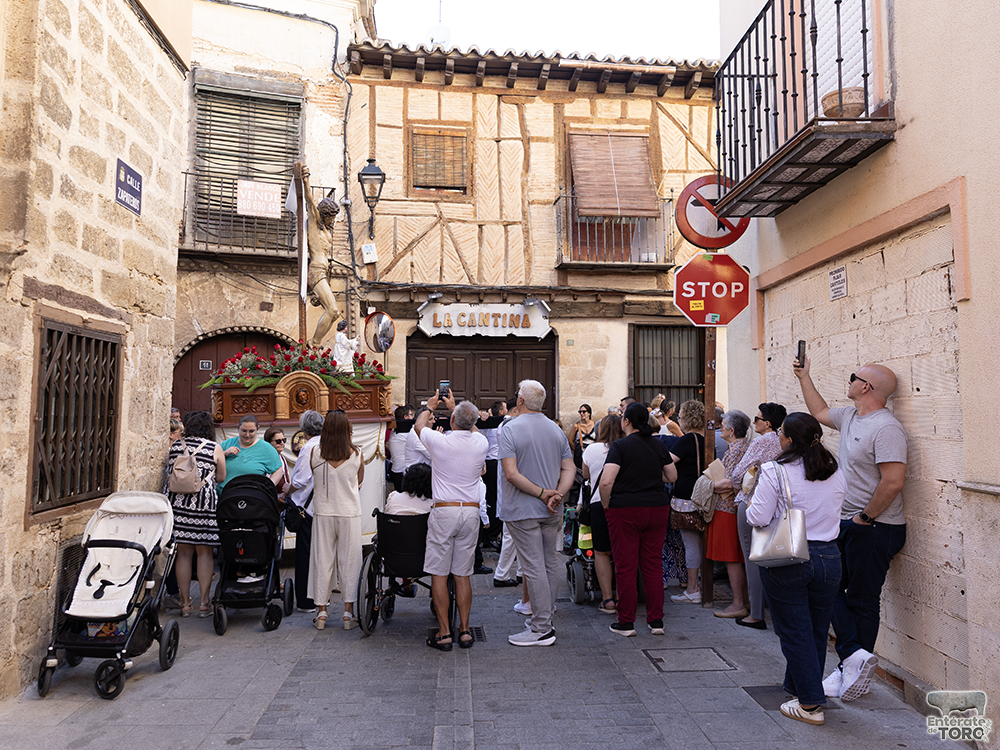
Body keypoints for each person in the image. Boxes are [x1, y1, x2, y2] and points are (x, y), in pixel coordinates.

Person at [794, 355, 907, 702]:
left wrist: (865, 518)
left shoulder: (886, 428)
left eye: (853, 376)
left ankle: (851, 669)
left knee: (860, 599)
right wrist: (804, 376)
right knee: (828, 591)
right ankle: (853, 661)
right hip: (847, 523)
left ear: (866, 387)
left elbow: (893, 481)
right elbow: (819, 412)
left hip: (875, 527)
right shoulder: (851, 416)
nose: (850, 379)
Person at [746, 413, 846, 725]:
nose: (778, 437)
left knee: (794, 630)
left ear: (788, 439)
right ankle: (801, 685)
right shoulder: (834, 469)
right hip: (829, 555)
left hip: (789, 555)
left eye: (781, 433)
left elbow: (758, 518)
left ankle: (810, 703)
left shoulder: (776, 471)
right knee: (816, 628)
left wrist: (750, 500)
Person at [500, 380, 575, 647]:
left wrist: (544, 493)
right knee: (549, 564)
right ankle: (545, 618)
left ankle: (541, 627)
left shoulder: (510, 429)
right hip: (550, 509)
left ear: (520, 401)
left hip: (524, 509)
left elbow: (511, 473)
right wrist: (557, 494)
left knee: (533, 567)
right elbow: (570, 468)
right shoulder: (555, 430)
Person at [415, 392, 489, 650]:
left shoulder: (440, 441)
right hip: (470, 510)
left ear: (452, 420)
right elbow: (473, 428)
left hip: (445, 510)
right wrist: (458, 410)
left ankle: (444, 632)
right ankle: (465, 630)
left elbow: (418, 426)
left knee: (438, 571)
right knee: (463, 574)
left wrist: (430, 406)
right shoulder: (480, 443)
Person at [599, 403, 677, 636]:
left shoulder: (620, 446)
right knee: (653, 566)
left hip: (626, 510)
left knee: (626, 566)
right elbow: (671, 475)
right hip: (656, 508)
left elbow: (606, 481)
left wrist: (606, 505)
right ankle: (656, 622)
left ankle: (626, 622)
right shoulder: (658, 444)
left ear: (626, 422)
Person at [730, 402, 787, 628]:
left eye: (757, 418)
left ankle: (756, 613)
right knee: (778, 557)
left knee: (752, 557)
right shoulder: (787, 441)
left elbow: (738, 473)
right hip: (780, 504)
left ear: (767, 423)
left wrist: (738, 485)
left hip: (754, 500)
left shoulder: (763, 441)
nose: (754, 423)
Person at [165, 410, 226, 618]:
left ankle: (184, 604)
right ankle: (204, 603)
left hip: (178, 505)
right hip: (204, 505)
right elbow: (221, 476)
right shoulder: (214, 447)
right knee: (205, 553)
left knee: (183, 554)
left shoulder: (175, 446)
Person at [308, 410, 364, 630]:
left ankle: (322, 612)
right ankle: (348, 613)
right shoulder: (356, 453)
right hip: (349, 511)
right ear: (347, 429)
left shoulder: (315, 452)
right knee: (350, 561)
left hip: (323, 512)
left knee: (322, 559)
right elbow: (359, 481)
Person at [707, 410, 751, 617]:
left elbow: (730, 482)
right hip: (735, 507)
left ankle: (738, 603)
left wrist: (708, 486)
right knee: (737, 556)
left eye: (722, 425)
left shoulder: (735, 450)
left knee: (732, 557)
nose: (720, 427)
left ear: (731, 430)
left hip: (728, 508)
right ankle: (744, 600)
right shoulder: (743, 447)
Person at [581, 413, 625, 614]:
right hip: (623, 503)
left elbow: (586, 475)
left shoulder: (592, 449)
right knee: (622, 552)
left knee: (601, 551)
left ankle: (607, 599)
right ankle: (621, 597)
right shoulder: (626, 447)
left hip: (599, 503)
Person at [667, 400, 707, 603]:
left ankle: (693, 589)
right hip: (705, 498)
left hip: (687, 498)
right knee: (700, 544)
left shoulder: (687, 439)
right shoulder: (704, 439)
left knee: (691, 545)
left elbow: (666, 461)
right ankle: (700, 586)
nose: (678, 419)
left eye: (681, 416)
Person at [300, 164, 342, 347]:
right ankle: (314, 343)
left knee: (333, 312)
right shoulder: (315, 223)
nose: (333, 220)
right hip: (315, 270)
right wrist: (306, 180)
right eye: (332, 217)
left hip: (322, 272)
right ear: (324, 215)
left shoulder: (325, 230)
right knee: (333, 311)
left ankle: (315, 343)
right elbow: (310, 202)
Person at [287, 410, 324, 612]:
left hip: (307, 508)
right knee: (322, 554)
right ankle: (322, 598)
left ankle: (306, 601)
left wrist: (287, 490)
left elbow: (300, 480)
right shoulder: (329, 444)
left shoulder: (309, 447)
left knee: (305, 555)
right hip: (324, 505)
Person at [219, 415, 285, 490]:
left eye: (251, 431)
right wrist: (224, 454)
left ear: (257, 429)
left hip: (252, 496)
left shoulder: (266, 448)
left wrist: (268, 487)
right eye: (244, 431)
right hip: (224, 496)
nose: (247, 435)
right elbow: (211, 460)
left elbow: (278, 470)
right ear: (238, 428)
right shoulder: (227, 444)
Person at [386, 404, 413, 489]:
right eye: (411, 415)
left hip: (396, 468)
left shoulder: (395, 433)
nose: (413, 417)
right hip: (401, 471)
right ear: (406, 417)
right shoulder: (405, 435)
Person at [263, 426, 292, 502]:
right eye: (278, 441)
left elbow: (286, 478)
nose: (282, 443)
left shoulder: (282, 457)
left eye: (284, 440)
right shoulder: (266, 460)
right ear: (268, 443)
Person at [403, 406, 433, 470]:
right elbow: (432, 455)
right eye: (430, 419)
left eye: (434, 419)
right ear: (422, 421)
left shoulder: (424, 431)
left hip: (422, 472)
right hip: (415, 475)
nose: (434, 422)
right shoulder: (415, 434)